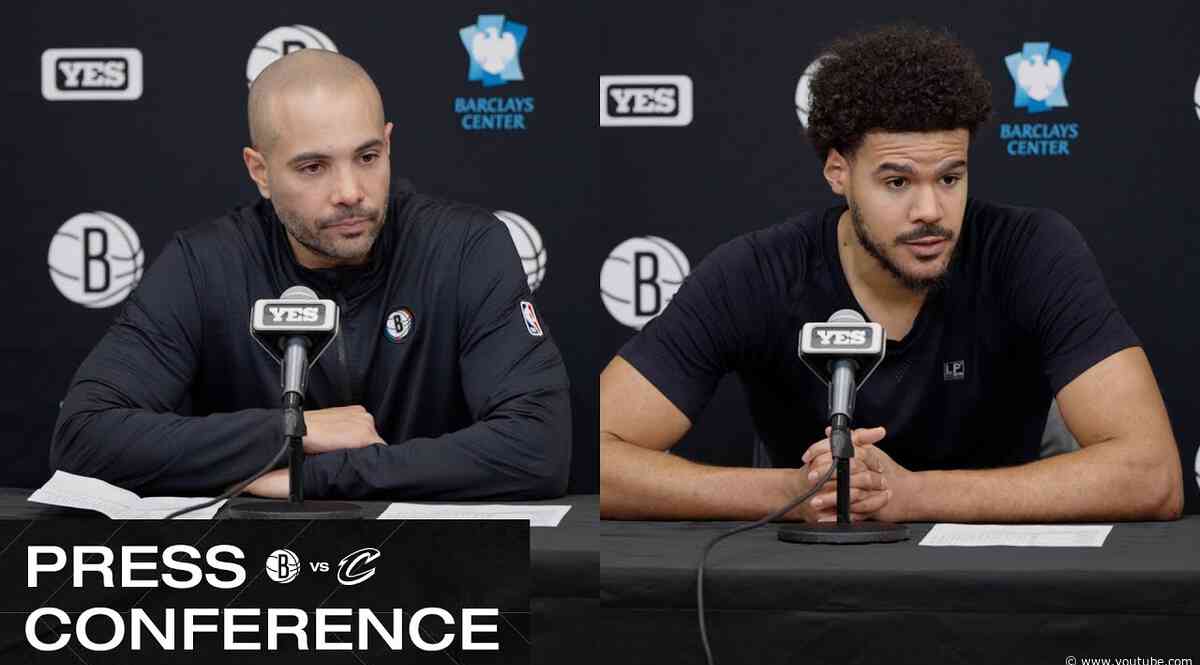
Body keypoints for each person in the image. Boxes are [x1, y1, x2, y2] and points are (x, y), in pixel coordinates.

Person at [599, 24, 1183, 523]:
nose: (930, 210)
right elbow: (596, 456)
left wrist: (908, 495)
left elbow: (1152, 474)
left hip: (997, 588)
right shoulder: (756, 271)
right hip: (804, 593)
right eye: (898, 182)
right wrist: (793, 493)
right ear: (838, 172)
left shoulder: (1031, 251)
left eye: (950, 178)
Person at [50, 49, 571, 500]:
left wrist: (312, 474)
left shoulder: (464, 248)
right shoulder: (204, 264)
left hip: (435, 582)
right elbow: (84, 436)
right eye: (313, 167)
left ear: (388, 144)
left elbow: (538, 446)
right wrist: (291, 430)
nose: (350, 190)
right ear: (260, 171)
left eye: (367, 156)